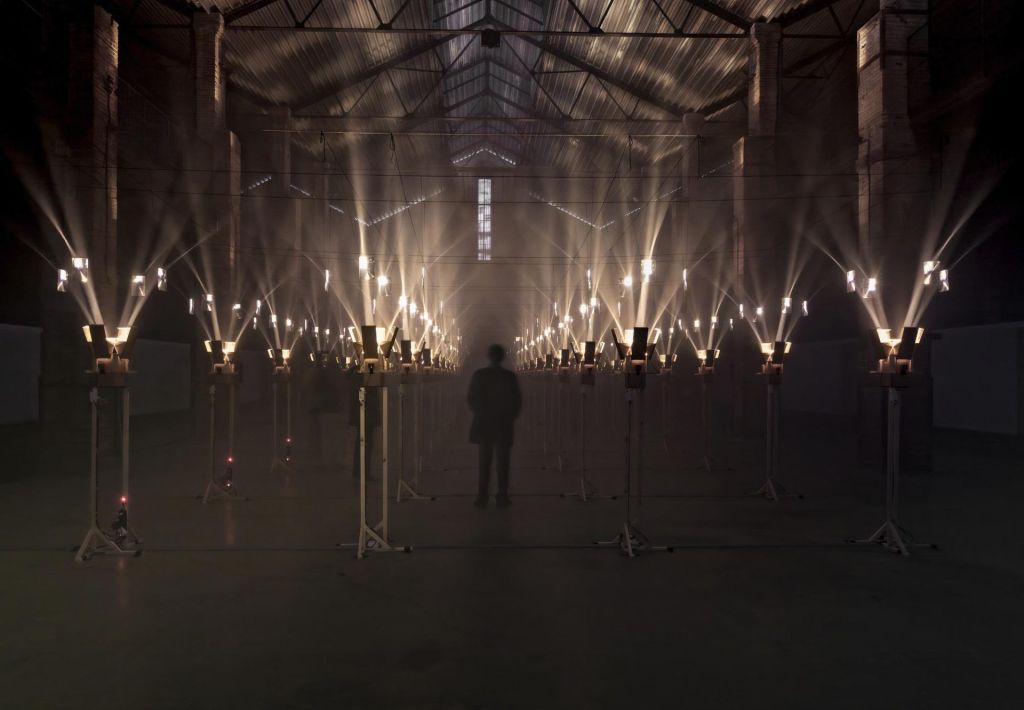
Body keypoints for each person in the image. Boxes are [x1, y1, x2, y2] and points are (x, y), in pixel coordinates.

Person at [467, 344, 522, 508]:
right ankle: (502, 496)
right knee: (503, 463)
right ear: (502, 357)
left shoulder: (479, 375)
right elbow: (517, 400)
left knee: (484, 463)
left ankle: (482, 496)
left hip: (485, 424)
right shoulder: (509, 376)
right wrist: (510, 416)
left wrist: (481, 413)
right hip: (503, 424)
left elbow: (472, 398)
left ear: (489, 356)